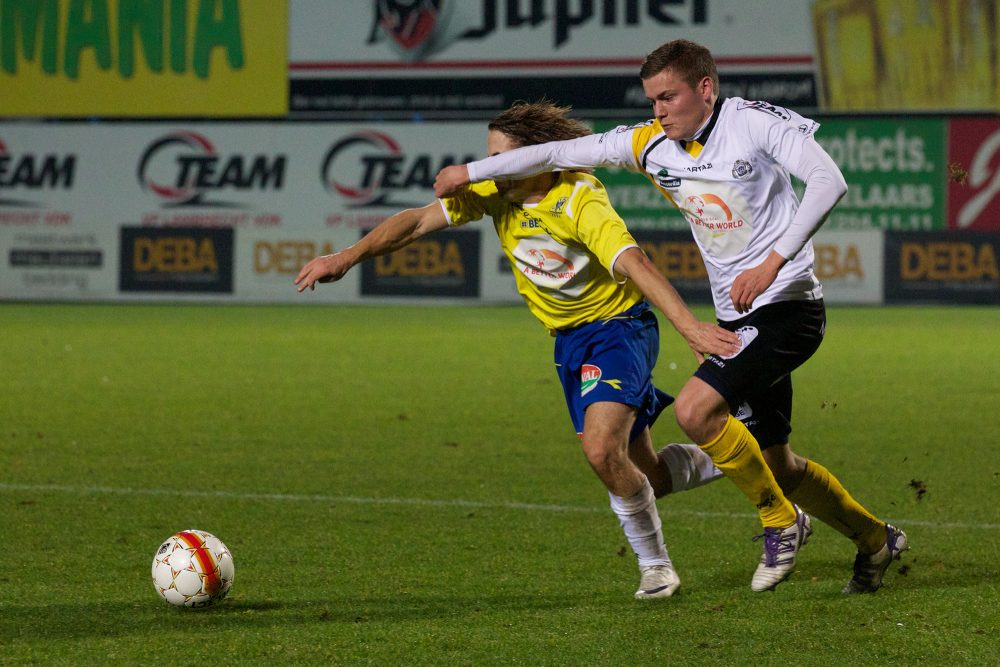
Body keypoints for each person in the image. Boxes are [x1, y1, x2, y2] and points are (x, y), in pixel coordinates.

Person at [435, 40, 908, 594]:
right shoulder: (649, 143)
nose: (659, 111)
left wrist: (773, 262)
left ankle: (780, 522)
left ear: (706, 89)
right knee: (779, 463)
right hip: (737, 319)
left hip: (790, 306)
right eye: (652, 100)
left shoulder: (751, 124)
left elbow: (830, 182)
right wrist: (473, 170)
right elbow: (554, 154)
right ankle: (877, 540)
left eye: (669, 97)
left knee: (694, 409)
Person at [296, 100, 741, 599]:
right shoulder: (495, 193)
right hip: (570, 343)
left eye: (500, 159)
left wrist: (689, 328)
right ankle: (737, 452)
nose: (490, 169)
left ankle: (656, 568)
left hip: (618, 330)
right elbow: (418, 222)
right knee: (648, 476)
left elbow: (636, 264)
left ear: (535, 158)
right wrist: (349, 255)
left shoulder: (579, 200)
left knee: (600, 451)